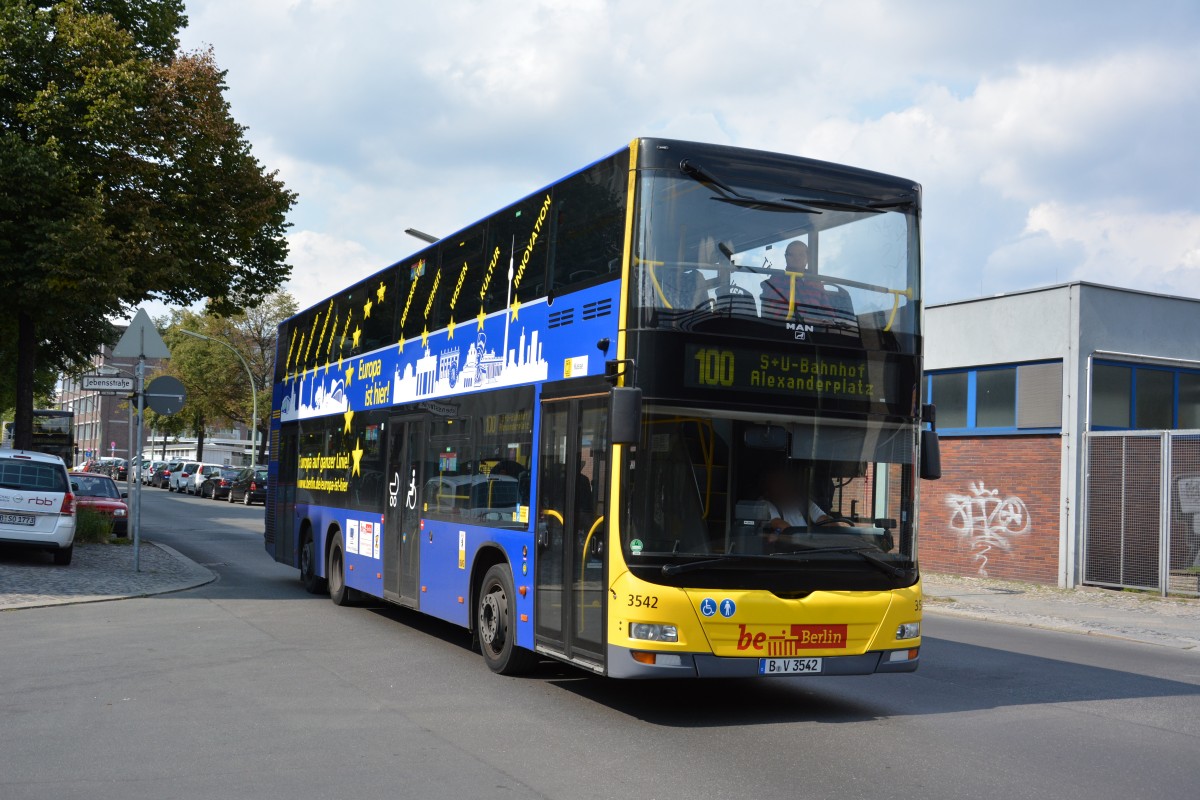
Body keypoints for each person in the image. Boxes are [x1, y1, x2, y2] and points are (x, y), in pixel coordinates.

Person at [760, 465, 848, 531]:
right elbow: (779, 525)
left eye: (786, 481)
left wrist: (840, 532)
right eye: (778, 482)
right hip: (788, 551)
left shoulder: (804, 502)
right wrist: (808, 541)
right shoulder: (765, 504)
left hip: (809, 549)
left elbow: (823, 519)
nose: (785, 485)